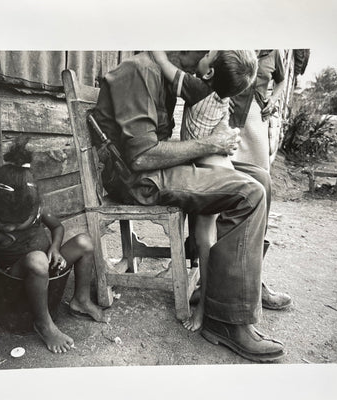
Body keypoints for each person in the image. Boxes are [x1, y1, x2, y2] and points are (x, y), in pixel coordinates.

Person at [92, 51, 286, 362]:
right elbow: (141, 157)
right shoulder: (139, 70)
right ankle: (225, 320)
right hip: (140, 179)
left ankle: (237, 286)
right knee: (249, 194)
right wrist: (213, 144)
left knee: (260, 178)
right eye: (208, 47)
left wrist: (216, 141)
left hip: (158, 168)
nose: (210, 51)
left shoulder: (171, 74)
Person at [0, 138, 109, 355]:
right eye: (2, 220)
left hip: (47, 267)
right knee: (37, 259)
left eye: (15, 223)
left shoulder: (37, 211)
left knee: (85, 242)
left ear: (33, 210)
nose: (7, 228)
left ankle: (81, 300)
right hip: (18, 278)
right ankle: (43, 324)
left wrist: (56, 248)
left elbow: (57, 227)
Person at [150, 50, 258, 332]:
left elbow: (161, 62)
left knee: (204, 240)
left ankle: (204, 307)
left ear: (209, 73)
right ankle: (196, 287)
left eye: (208, 55)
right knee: (203, 238)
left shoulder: (197, 88)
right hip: (220, 167)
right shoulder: (224, 96)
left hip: (210, 173)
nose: (204, 52)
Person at [230, 49, 292, 310]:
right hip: (228, 120)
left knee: (262, 192)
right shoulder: (233, 44)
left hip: (256, 122)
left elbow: (281, 80)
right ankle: (210, 278)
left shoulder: (273, 52)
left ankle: (254, 281)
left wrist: (274, 100)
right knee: (223, 197)